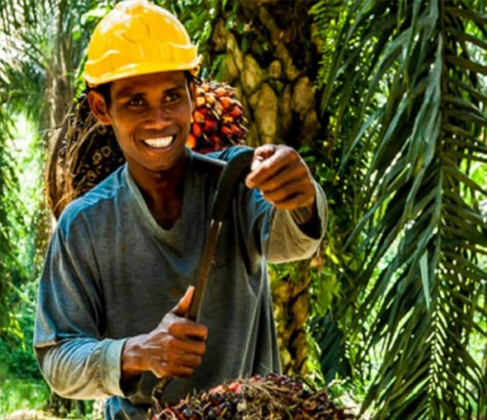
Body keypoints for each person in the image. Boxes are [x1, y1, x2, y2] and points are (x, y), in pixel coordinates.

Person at [33, 1, 327, 419]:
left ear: (193, 96)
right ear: (102, 109)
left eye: (172, 96)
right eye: (136, 102)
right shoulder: (83, 226)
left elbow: (291, 242)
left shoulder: (238, 181)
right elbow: (58, 356)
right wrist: (137, 353)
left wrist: (300, 199)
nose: (158, 119)